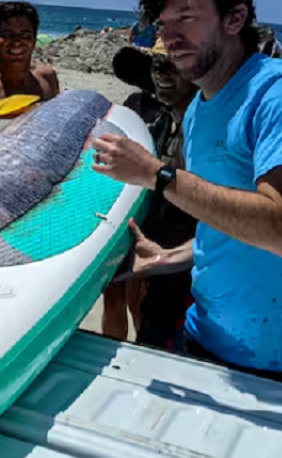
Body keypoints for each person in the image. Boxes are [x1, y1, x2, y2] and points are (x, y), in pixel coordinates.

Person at [92, 0, 282, 397]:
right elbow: (228, 223)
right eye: (162, 23)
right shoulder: (199, 111)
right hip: (206, 336)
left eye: (186, 18)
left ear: (235, 18)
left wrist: (159, 174)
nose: (169, 37)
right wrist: (168, 257)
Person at [103, 36, 198, 348]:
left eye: (173, 66)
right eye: (159, 65)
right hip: (136, 222)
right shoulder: (137, 107)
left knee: (154, 318)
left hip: (180, 237)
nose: (164, 74)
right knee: (117, 295)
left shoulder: (202, 122)